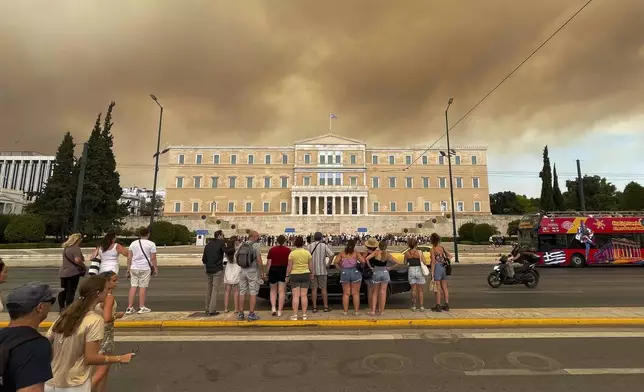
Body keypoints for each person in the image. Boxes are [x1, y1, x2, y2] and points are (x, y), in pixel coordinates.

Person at [46, 276, 133, 392]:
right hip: (75, 383)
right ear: (98, 293)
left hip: (51, 380)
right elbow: (91, 358)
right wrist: (120, 358)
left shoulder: (65, 316)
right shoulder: (95, 320)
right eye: (106, 289)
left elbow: (47, 341)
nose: (108, 293)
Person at [0, 283, 56, 392]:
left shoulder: (3, 336)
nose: (51, 307)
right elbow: (31, 389)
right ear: (40, 307)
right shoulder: (35, 344)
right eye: (51, 301)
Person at [91, 272, 125, 392]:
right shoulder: (109, 297)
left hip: (94, 330)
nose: (117, 283)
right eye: (114, 280)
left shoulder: (95, 295)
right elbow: (107, 318)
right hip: (105, 333)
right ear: (107, 282)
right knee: (103, 367)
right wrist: (117, 316)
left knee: (96, 365)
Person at [126, 227, 157, 315]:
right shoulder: (151, 244)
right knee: (142, 287)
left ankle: (130, 307)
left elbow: (129, 257)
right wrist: (155, 267)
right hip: (145, 267)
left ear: (140, 234)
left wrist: (128, 269)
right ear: (148, 234)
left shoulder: (133, 243)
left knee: (133, 286)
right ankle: (142, 306)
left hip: (134, 267)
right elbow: (153, 258)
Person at [235, 230, 263, 321]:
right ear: (253, 237)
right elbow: (259, 260)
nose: (258, 237)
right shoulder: (256, 246)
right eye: (257, 236)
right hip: (252, 271)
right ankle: (251, 313)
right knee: (253, 292)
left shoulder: (242, 245)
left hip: (243, 271)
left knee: (242, 292)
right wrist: (262, 271)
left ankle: (241, 313)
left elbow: (236, 256)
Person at [334, 239, 365, 316]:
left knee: (346, 293)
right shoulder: (356, 253)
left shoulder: (342, 253)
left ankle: (345, 311)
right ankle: (356, 312)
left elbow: (335, 262)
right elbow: (363, 261)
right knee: (355, 293)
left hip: (345, 273)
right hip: (355, 272)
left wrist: (341, 269)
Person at [365, 240, 397, 316]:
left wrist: (371, 267)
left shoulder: (376, 253)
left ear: (379, 246)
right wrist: (390, 268)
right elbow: (397, 262)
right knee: (383, 292)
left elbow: (367, 259)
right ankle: (382, 311)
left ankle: (373, 311)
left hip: (376, 272)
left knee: (375, 292)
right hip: (385, 272)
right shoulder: (387, 254)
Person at [286, 236, 313, 320]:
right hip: (305, 273)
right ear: (303, 243)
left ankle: (295, 315)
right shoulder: (307, 253)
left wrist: (287, 275)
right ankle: (304, 314)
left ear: (295, 243)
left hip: (295, 274)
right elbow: (310, 265)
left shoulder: (292, 253)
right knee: (304, 295)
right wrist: (312, 273)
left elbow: (289, 266)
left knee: (295, 296)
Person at [308, 232, 334, 313]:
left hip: (312, 271)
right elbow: (331, 255)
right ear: (321, 238)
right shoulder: (324, 246)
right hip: (322, 270)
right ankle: (325, 306)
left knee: (314, 289)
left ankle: (314, 307)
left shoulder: (309, 246)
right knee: (323, 289)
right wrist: (328, 264)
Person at [59, 233, 86, 312]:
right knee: (71, 290)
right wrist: (83, 266)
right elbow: (77, 260)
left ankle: (61, 307)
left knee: (63, 290)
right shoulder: (76, 248)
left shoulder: (66, 248)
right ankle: (68, 307)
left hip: (63, 272)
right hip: (73, 272)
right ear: (78, 240)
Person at [202, 230, 225, 316]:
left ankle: (207, 308)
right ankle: (212, 310)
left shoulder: (208, 244)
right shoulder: (221, 243)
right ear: (219, 236)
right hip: (217, 269)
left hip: (209, 269)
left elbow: (204, 259)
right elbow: (226, 251)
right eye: (222, 235)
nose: (223, 237)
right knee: (215, 290)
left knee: (209, 289)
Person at [266, 235, 290, 317]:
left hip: (273, 270)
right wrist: (288, 274)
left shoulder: (272, 250)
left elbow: (269, 263)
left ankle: (273, 308)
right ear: (285, 241)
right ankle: (280, 310)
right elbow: (289, 264)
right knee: (282, 291)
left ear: (277, 241)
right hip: (283, 270)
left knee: (273, 290)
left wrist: (267, 273)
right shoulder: (288, 250)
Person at [404, 238, 427, 312]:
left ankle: (414, 306)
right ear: (416, 244)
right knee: (420, 290)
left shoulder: (407, 253)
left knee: (413, 289)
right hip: (419, 270)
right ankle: (421, 306)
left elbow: (405, 263)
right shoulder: (419, 252)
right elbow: (424, 261)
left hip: (411, 270)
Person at [430, 233, 451, 312]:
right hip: (443, 267)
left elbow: (433, 262)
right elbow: (450, 255)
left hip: (437, 268)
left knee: (437, 288)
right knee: (445, 287)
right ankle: (446, 304)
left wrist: (432, 273)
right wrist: (444, 259)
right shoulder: (442, 248)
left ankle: (438, 305)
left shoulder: (432, 249)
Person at [222, 236, 241, 313]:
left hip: (228, 269)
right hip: (236, 269)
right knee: (236, 291)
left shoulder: (227, 250)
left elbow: (225, 259)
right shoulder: (237, 250)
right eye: (238, 240)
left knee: (227, 290)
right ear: (235, 241)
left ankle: (226, 308)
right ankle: (236, 309)